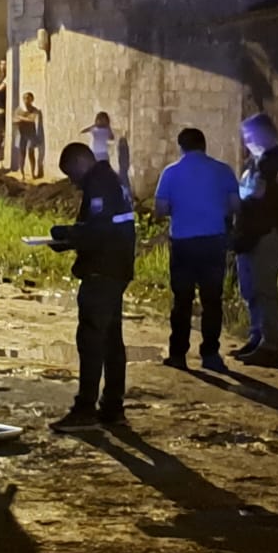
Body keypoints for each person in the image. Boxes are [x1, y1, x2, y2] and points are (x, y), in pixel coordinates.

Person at [47, 142, 138, 433]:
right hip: (115, 268)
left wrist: (69, 234)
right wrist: (70, 241)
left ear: (80, 162)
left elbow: (100, 230)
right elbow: (106, 228)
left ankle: (85, 409)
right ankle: (112, 408)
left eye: (71, 173)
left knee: (91, 341)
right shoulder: (111, 180)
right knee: (111, 341)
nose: (73, 182)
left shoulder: (99, 184)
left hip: (103, 270)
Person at [155, 128, 239, 373]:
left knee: (182, 300)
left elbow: (160, 208)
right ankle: (210, 354)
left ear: (180, 147)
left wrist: (181, 209)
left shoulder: (170, 173)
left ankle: (178, 354)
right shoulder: (223, 170)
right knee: (212, 300)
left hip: (183, 243)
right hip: (213, 242)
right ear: (204, 145)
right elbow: (235, 205)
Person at [233, 112, 278, 367]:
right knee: (249, 290)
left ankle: (270, 345)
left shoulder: (277, 164)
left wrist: (245, 202)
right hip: (247, 234)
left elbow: (267, 196)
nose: (246, 140)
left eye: (249, 135)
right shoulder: (254, 162)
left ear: (265, 133)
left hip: (266, 233)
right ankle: (256, 336)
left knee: (264, 288)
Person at [16, 93, 44, 180]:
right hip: (21, 134)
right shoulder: (19, 109)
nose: (26, 100)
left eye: (28, 98)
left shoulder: (34, 110)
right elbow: (14, 119)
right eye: (24, 98)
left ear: (32, 100)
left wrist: (20, 118)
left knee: (31, 153)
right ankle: (22, 173)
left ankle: (32, 173)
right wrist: (20, 118)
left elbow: (32, 119)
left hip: (31, 135)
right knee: (22, 154)